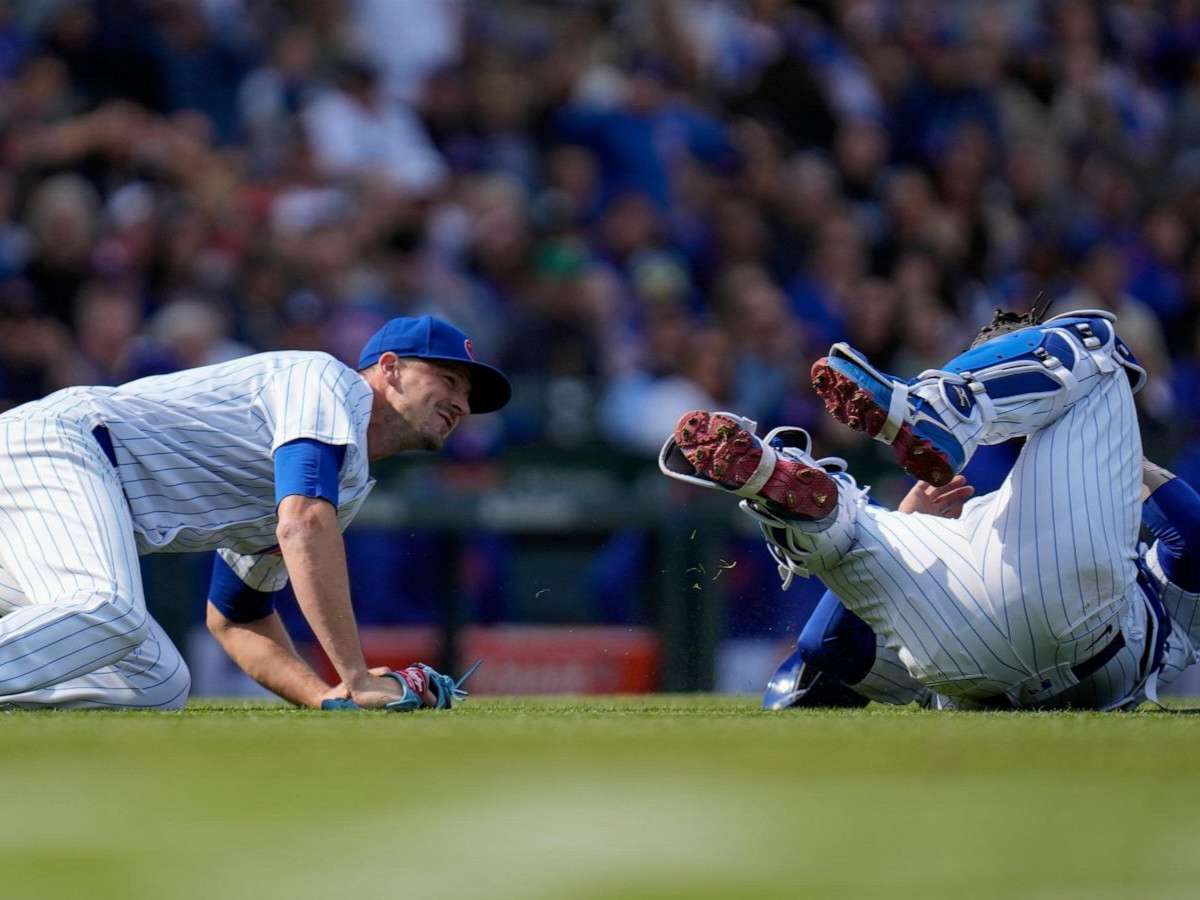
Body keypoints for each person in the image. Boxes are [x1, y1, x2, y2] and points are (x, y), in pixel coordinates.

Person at [660, 308, 1196, 710]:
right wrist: (1130, 464)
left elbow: (824, 654)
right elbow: (1190, 540)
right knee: (1095, 352)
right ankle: (925, 422)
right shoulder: (1106, 547)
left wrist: (906, 528)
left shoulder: (954, 519)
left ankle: (791, 494)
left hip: (957, 666)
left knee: (852, 525)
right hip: (1096, 646)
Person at [0, 314, 510, 710]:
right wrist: (357, 676)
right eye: (447, 379)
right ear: (391, 367)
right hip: (59, 444)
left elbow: (239, 616)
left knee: (156, 681)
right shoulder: (328, 382)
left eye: (469, 396)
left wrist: (324, 694)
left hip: (57, 489)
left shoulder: (344, 480)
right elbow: (303, 522)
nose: (462, 404)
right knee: (109, 610)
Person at [762, 460, 1200, 711]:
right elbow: (818, 656)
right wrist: (1113, 459)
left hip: (972, 663)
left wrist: (903, 529)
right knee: (815, 676)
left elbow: (826, 644)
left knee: (859, 540)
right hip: (1016, 643)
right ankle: (827, 513)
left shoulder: (1160, 598)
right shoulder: (1146, 578)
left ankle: (811, 505)